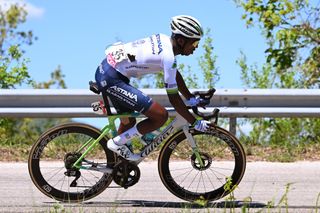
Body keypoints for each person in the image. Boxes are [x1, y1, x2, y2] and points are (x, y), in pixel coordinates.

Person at [95, 15, 212, 161]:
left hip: (109, 71)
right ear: (181, 40)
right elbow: (174, 99)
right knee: (160, 116)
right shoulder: (168, 57)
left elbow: (174, 73)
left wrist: (190, 98)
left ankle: (119, 165)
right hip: (111, 78)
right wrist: (194, 122)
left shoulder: (164, 40)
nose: (195, 48)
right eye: (194, 44)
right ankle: (116, 143)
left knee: (129, 122)